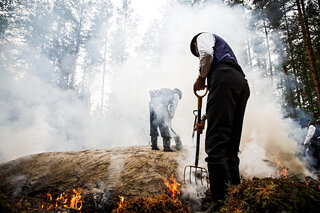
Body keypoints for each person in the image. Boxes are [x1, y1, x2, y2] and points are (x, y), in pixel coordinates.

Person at [190, 32, 250, 212]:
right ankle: (236, 197)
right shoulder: (226, 63)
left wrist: (201, 77)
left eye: (195, 52)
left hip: (225, 80)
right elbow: (221, 106)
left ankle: (221, 202)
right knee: (230, 148)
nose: (197, 54)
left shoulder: (203, 37)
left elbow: (206, 54)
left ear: (195, 44)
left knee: (216, 146)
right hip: (240, 84)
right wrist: (205, 118)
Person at [149, 88, 183, 152]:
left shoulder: (165, 91)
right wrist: (169, 117)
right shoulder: (176, 95)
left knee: (153, 125)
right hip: (161, 105)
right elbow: (173, 107)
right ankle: (166, 147)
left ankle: (154, 146)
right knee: (164, 126)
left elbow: (151, 91)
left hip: (152, 104)